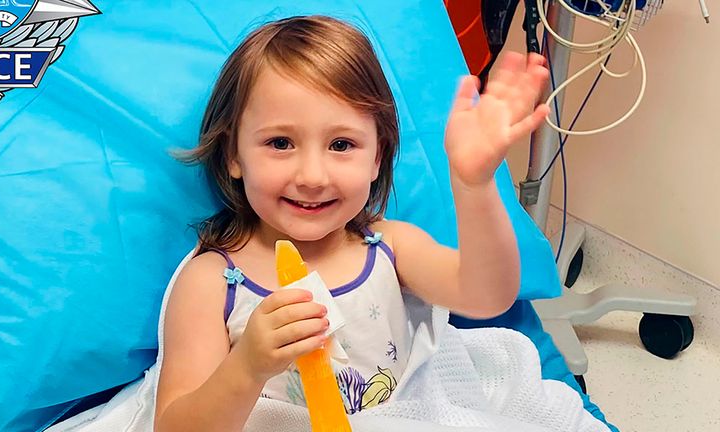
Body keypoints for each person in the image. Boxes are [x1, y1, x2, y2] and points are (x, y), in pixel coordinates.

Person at [154, 14, 549, 432]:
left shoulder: (388, 247)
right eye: (280, 143)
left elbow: (488, 296)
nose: (312, 176)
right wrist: (247, 367)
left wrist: (474, 185)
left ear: (377, 157)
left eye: (341, 144)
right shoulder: (213, 281)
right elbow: (175, 426)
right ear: (234, 154)